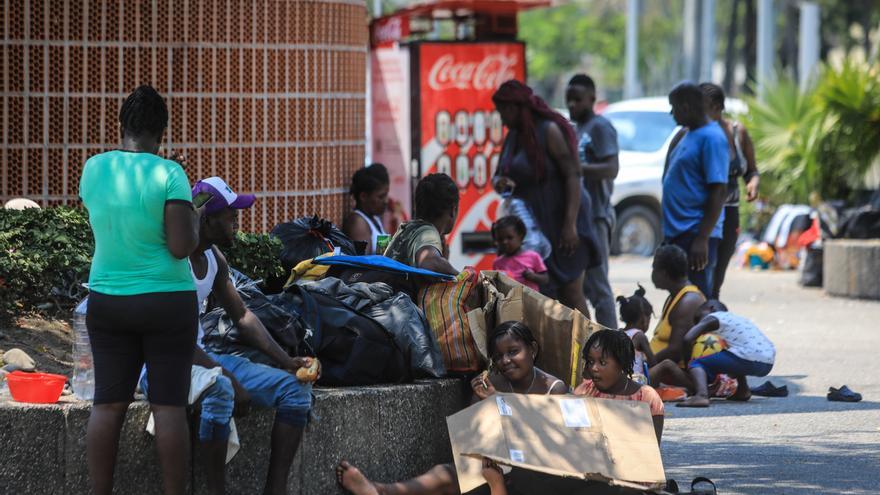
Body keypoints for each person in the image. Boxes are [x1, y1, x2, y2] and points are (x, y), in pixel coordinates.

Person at [139, 176, 315, 494]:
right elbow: (171, 338)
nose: (237, 221)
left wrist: (287, 361)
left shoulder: (214, 258)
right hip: (161, 363)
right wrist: (227, 377)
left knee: (296, 390)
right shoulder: (171, 259)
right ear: (207, 219)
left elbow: (244, 317)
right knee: (221, 389)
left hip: (201, 357)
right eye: (231, 216)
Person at [79, 85, 202, 495]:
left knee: (107, 404)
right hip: (167, 302)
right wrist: (196, 217)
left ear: (121, 126)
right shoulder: (169, 173)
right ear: (162, 132)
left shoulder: (94, 169)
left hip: (108, 300)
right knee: (168, 407)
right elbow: (181, 246)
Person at [335, 321, 568, 495]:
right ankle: (381, 490)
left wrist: (498, 401)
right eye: (498, 356)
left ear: (533, 350)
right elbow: (471, 436)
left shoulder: (554, 388)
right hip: (495, 469)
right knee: (445, 473)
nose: (505, 361)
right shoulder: (493, 382)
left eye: (513, 352)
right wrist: (479, 402)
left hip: (536, 480)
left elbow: (551, 444)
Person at [492, 80, 599, 319]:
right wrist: (499, 181)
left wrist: (570, 225)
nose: (502, 118)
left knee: (571, 292)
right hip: (534, 228)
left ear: (519, 107)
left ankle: (591, 349)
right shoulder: (513, 138)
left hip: (564, 221)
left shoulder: (548, 130)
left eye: (505, 111)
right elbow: (500, 173)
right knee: (545, 296)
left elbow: (573, 175)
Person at [662, 82, 729, 297]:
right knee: (681, 297)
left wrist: (702, 238)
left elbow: (718, 191)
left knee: (697, 300)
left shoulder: (712, 137)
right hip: (679, 231)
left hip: (694, 233)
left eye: (674, 107)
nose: (672, 113)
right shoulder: (689, 134)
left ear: (687, 106)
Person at [566, 74, 620, 329]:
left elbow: (611, 168)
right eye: (569, 100)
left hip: (596, 215)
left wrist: (576, 169)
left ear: (592, 99)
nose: (572, 105)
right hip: (577, 220)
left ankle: (613, 346)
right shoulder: (574, 129)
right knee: (579, 286)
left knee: (599, 287)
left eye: (578, 100)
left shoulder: (600, 127)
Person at [699, 83, 760, 299]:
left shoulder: (737, 132)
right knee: (702, 271)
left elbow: (752, 171)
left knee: (717, 274)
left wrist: (752, 184)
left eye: (702, 106)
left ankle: (711, 315)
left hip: (729, 211)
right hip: (704, 213)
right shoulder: (695, 133)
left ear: (717, 107)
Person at [678, 300, 775, 408]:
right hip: (767, 363)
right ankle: (743, 391)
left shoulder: (714, 317)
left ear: (711, 308)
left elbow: (687, 339)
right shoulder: (739, 319)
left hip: (748, 358)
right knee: (733, 353)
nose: (699, 323)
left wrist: (688, 363)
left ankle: (701, 396)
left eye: (699, 317)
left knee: (697, 363)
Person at [574, 329, 665, 444]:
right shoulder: (584, 391)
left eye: (602, 363)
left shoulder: (647, 398)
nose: (594, 368)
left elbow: (653, 448)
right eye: (591, 361)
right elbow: (574, 438)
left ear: (622, 363)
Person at [647, 245, 705, 388]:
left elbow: (675, 351)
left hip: (675, 372)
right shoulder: (674, 296)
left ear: (664, 273)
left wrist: (642, 363)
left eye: (654, 269)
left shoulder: (688, 301)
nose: (652, 273)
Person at [384, 173, 459, 276]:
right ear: (453, 210)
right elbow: (430, 263)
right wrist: (461, 278)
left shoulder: (407, 229)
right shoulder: (428, 233)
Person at [491, 215, 550, 291]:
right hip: (509, 301)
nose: (504, 242)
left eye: (509, 237)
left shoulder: (533, 256)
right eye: (500, 239)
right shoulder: (497, 263)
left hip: (530, 300)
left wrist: (533, 276)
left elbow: (545, 279)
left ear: (521, 236)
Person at [342, 164, 390, 255]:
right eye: (381, 197)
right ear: (363, 196)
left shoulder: (375, 218)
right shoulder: (358, 222)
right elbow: (363, 265)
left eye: (386, 195)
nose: (386, 201)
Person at [616, 285, 656, 384]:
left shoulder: (619, 332)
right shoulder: (639, 335)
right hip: (636, 380)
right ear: (644, 318)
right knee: (667, 365)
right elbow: (653, 363)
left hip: (619, 380)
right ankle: (696, 389)